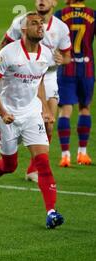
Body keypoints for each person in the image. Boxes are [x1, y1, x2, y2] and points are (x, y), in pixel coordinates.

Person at [0, 12, 64, 229]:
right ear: (24, 30)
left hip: (31, 113)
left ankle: (51, 212)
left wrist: (44, 108)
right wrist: (3, 112)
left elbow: (39, 82)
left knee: (43, 162)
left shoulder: (46, 54)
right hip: (6, 115)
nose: (40, 27)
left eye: (41, 23)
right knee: (9, 165)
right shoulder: (8, 54)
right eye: (34, 24)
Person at [0, 0, 72, 182]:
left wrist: (61, 59)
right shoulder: (21, 22)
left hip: (47, 77)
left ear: (54, 2)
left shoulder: (61, 28)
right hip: (21, 76)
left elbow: (67, 57)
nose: (41, 1)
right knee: (14, 127)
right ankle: (9, 146)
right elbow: (3, 44)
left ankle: (33, 169)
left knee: (48, 122)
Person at [55, 0, 95, 167]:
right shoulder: (93, 15)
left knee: (65, 111)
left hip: (66, 67)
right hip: (87, 68)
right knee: (84, 108)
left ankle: (65, 156)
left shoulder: (60, 15)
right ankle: (83, 154)